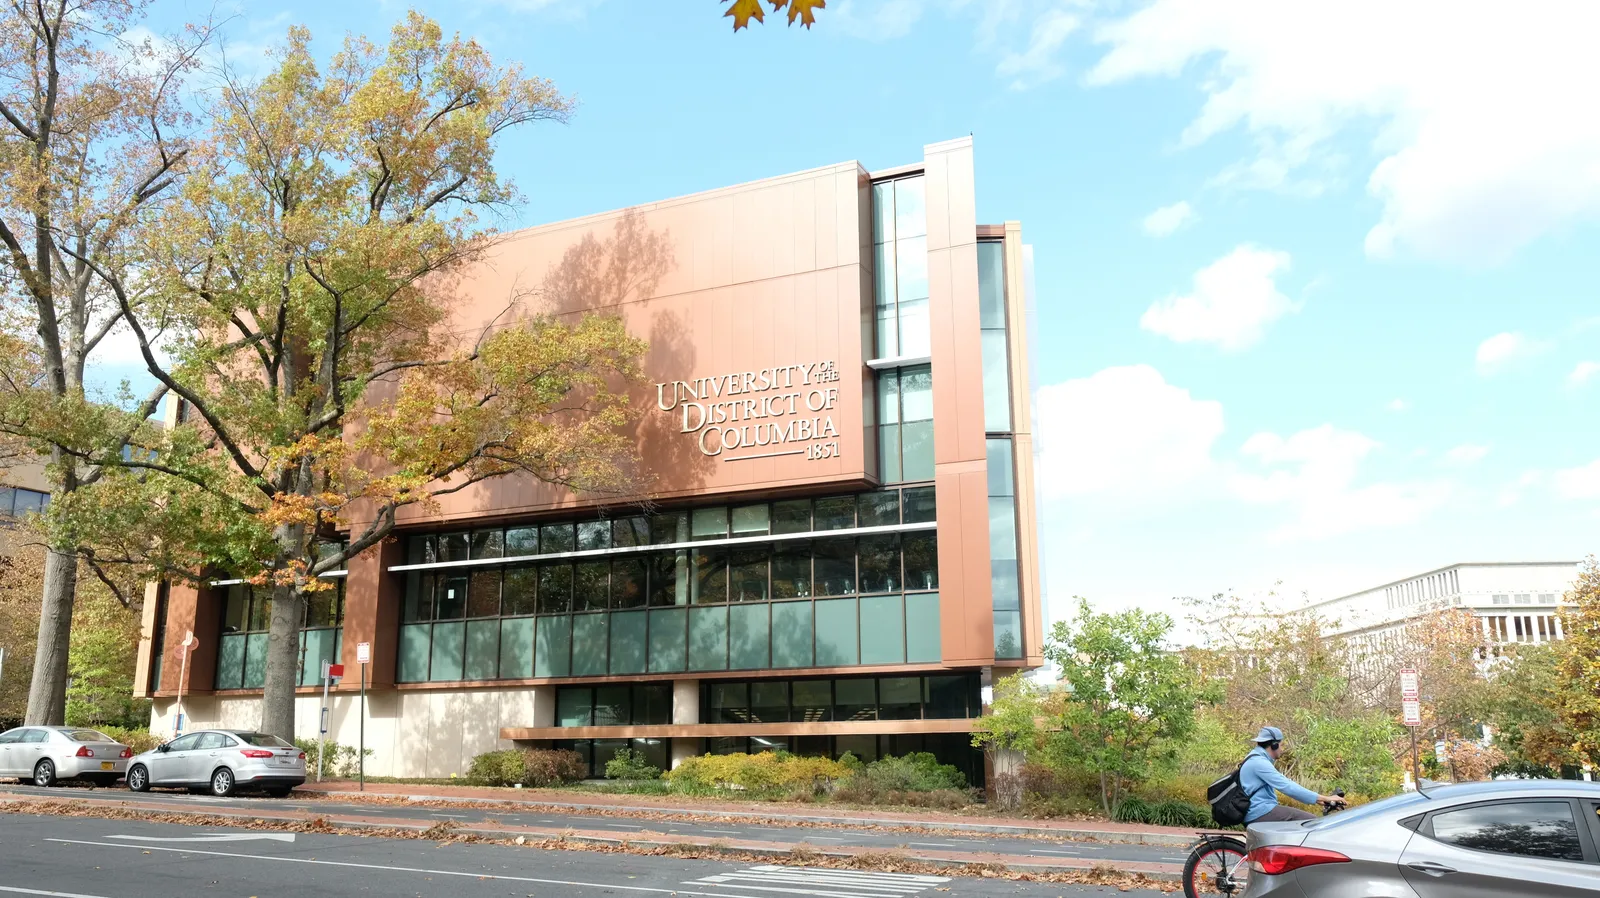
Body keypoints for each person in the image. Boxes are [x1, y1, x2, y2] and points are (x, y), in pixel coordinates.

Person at [1241, 726, 1347, 823]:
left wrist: (1318, 800)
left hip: (1259, 810)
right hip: (1259, 812)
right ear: (1274, 745)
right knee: (1312, 822)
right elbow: (1287, 786)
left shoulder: (1255, 758)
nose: (1282, 749)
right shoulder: (1259, 763)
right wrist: (1323, 798)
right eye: (1281, 745)